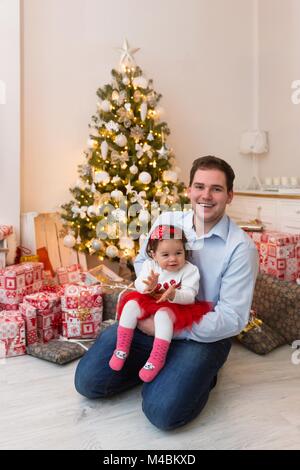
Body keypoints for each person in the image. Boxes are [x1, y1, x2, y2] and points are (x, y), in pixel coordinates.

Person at [75, 155, 259, 430]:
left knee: (162, 413)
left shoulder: (241, 249)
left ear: (230, 195)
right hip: (152, 317)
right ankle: (158, 364)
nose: (206, 195)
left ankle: (199, 374)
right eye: (199, 186)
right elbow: (142, 260)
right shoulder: (168, 220)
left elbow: (233, 318)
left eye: (216, 189)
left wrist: (172, 329)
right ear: (188, 190)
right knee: (88, 383)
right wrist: (150, 285)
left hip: (201, 334)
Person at [109, 224, 211, 382]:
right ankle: (121, 348)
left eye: (178, 253)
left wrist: (174, 294)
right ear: (153, 254)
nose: (173, 259)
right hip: (150, 299)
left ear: (185, 252)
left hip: (175, 306)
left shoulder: (190, 270)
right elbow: (139, 284)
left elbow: (190, 295)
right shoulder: (150, 265)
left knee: (163, 316)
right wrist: (147, 287)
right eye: (165, 254)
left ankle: (157, 358)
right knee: (130, 305)